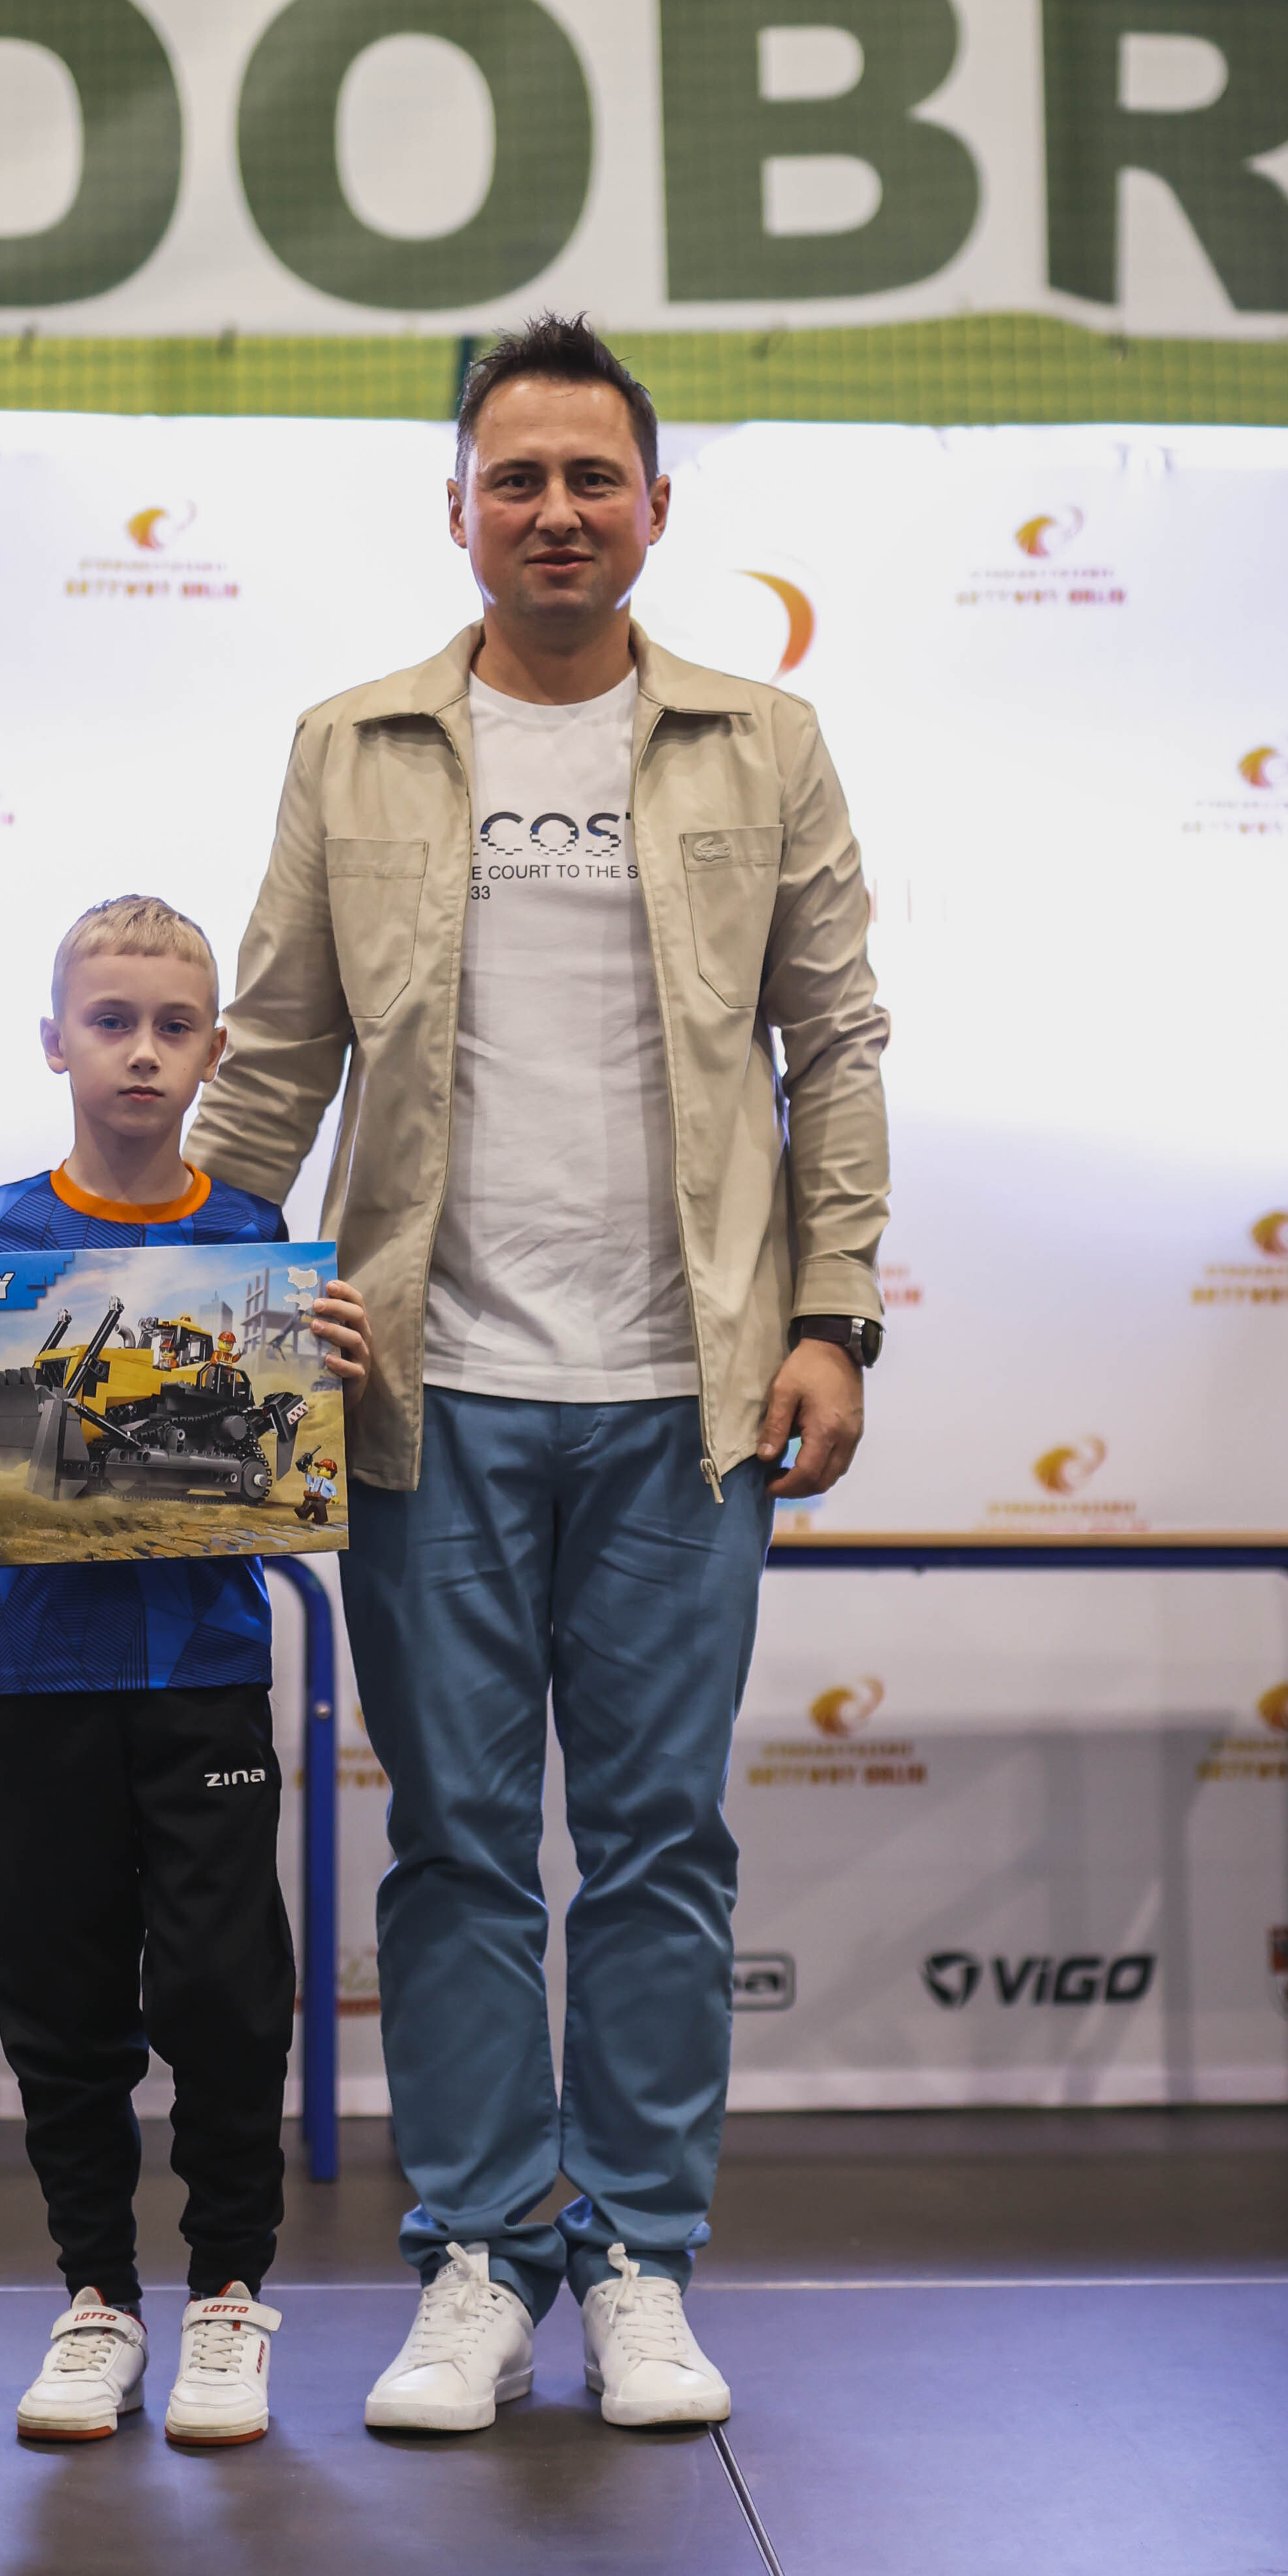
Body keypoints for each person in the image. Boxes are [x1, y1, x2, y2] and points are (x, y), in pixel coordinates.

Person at [185, 316, 890, 2432]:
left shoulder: (763, 740)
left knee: (659, 1842)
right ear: (460, 510)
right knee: (460, 1848)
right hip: (422, 1392)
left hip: (692, 1393)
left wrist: (832, 1314)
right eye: (518, 478)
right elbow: (271, 1057)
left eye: (593, 478)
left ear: (654, 509)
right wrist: (157, 1304)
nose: (556, 511)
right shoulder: (349, 746)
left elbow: (833, 1045)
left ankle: (639, 2263)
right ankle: (480, 2260)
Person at [0, 893, 371, 2449]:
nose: (142, 1051)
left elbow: (288, 1447)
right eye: (111, 1022)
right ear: (56, 1041)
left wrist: (337, 1369)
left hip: (209, 1668)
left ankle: (228, 2296)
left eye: (173, 1025)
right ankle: (95, 2299)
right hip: (48, 1678)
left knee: (224, 1990)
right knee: (63, 1991)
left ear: (214, 1050)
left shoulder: (255, 1235)